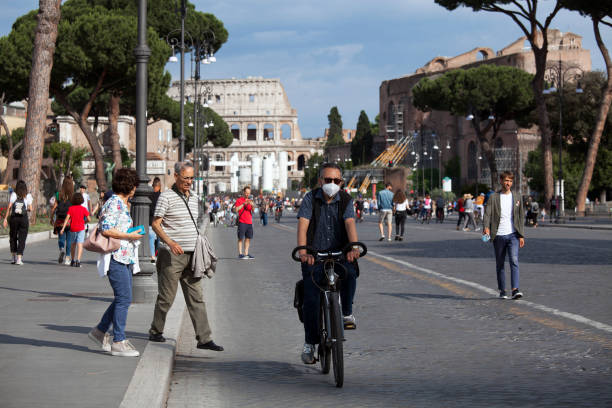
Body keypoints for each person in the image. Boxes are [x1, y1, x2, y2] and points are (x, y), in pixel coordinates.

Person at [148, 162, 223, 352]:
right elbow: (156, 224)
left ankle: (204, 339)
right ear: (176, 176)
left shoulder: (194, 197)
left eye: (191, 178)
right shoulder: (166, 197)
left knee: (197, 297)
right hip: (171, 256)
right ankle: (156, 330)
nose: (189, 182)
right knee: (166, 297)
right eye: (185, 178)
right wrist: (170, 242)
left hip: (193, 255)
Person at [296, 163, 360, 364]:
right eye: (327, 180)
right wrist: (303, 251)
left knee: (350, 273)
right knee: (312, 299)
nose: (331, 184)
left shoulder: (346, 200)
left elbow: (350, 223)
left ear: (341, 182)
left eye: (336, 181)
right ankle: (310, 343)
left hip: (340, 252)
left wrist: (354, 248)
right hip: (314, 255)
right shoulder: (310, 199)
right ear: (320, 181)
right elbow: (303, 226)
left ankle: (347, 313)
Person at [87, 168, 143, 356]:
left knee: (122, 298)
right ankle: (118, 340)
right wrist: (128, 234)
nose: (135, 189)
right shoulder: (114, 203)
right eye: (134, 185)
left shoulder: (121, 203)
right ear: (129, 186)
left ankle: (100, 331)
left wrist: (131, 235)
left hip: (124, 257)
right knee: (124, 299)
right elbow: (106, 229)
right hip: (116, 258)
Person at [483, 171, 526, 300]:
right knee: (500, 263)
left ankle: (515, 289)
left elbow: (520, 216)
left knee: (514, 260)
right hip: (498, 235)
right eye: (506, 180)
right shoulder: (494, 197)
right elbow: (487, 214)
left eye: (510, 181)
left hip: (513, 234)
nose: (508, 183)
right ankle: (502, 290)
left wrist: (521, 235)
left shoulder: (517, 197)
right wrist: (486, 227)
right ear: (501, 181)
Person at [3, 180, 33, 265]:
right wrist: (24, 209)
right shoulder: (28, 196)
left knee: (13, 237)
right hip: (23, 219)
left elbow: (9, 207)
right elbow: (30, 209)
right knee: (22, 238)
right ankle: (19, 259)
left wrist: (5, 219)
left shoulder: (14, 195)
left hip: (14, 218)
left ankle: (13, 257)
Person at [59, 192, 91, 267]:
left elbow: (67, 219)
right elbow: (89, 219)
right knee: (80, 244)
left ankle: (72, 260)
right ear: (81, 200)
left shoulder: (71, 208)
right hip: (81, 228)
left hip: (73, 228)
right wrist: (84, 222)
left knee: (73, 244)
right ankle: (78, 261)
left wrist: (63, 228)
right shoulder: (83, 209)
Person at [50, 177, 74, 265]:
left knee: (61, 237)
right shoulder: (73, 195)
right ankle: (67, 258)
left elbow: (54, 207)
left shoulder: (58, 194)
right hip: (70, 220)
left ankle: (61, 249)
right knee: (69, 239)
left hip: (60, 220)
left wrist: (51, 217)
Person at [233, 186, 255, 259]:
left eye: (249, 193)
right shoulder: (239, 200)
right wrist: (243, 204)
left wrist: (252, 206)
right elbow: (236, 210)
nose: (247, 194)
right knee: (240, 238)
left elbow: (253, 211)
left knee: (248, 238)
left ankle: (246, 253)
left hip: (249, 222)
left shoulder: (250, 200)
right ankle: (240, 254)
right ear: (244, 192)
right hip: (242, 222)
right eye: (246, 193)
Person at [149, 177, 162, 262]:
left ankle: (153, 255)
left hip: (150, 221)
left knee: (152, 238)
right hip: (159, 221)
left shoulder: (149, 196)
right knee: (158, 239)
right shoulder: (162, 196)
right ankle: (156, 254)